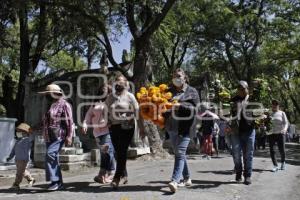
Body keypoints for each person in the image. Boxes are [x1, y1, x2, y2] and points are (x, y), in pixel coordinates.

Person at [105, 74, 145, 189]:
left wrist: (142, 129)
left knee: (122, 150)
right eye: (117, 81)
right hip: (114, 127)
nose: (119, 83)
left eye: (121, 82)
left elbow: (138, 113)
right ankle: (124, 174)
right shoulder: (110, 97)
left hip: (127, 127)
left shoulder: (130, 97)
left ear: (126, 84)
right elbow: (106, 111)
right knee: (118, 152)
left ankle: (116, 178)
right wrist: (107, 120)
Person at [164, 68, 200, 193]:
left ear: (185, 77)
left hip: (186, 128)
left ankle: (175, 180)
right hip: (172, 127)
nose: (176, 78)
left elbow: (195, 108)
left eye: (179, 76)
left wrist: (180, 105)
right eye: (174, 76)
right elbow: (163, 106)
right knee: (179, 153)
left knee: (179, 151)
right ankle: (187, 178)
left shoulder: (192, 91)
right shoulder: (168, 91)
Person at [39, 84, 74, 191]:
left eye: (48, 94)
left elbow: (70, 122)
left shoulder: (65, 104)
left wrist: (69, 136)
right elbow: (45, 121)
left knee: (50, 154)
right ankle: (59, 183)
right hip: (49, 135)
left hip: (59, 135)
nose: (46, 96)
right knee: (53, 157)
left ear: (55, 94)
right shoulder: (52, 105)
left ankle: (55, 181)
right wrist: (33, 128)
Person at [82, 84, 115, 184]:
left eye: (106, 89)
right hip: (97, 132)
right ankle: (102, 174)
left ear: (109, 91)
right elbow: (89, 115)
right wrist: (85, 124)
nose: (103, 90)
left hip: (107, 130)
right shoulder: (95, 103)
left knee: (107, 151)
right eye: (102, 89)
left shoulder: (111, 101)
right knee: (103, 153)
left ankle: (111, 173)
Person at [230, 81, 256, 185]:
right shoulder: (233, 100)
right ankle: (238, 172)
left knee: (248, 154)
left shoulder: (253, 99)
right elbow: (226, 112)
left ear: (247, 89)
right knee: (236, 154)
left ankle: (247, 175)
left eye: (243, 88)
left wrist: (262, 118)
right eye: (239, 89)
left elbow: (260, 112)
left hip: (249, 130)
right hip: (236, 131)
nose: (241, 90)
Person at [7, 123, 35, 189]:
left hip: (23, 159)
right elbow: (13, 150)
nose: (17, 132)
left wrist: (30, 131)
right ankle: (31, 179)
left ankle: (16, 184)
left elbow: (32, 137)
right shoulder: (17, 141)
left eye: (19, 131)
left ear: (24, 132)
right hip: (17, 159)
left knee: (19, 173)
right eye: (17, 131)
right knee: (22, 171)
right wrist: (10, 157)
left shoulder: (27, 140)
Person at [268, 100, 289, 172]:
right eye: (273, 104)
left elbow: (286, 123)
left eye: (276, 104)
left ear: (278, 106)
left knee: (282, 150)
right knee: (272, 150)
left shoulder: (282, 113)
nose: (274, 105)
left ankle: (283, 162)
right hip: (271, 134)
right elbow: (265, 122)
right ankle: (275, 165)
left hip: (280, 133)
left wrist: (285, 129)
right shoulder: (269, 113)